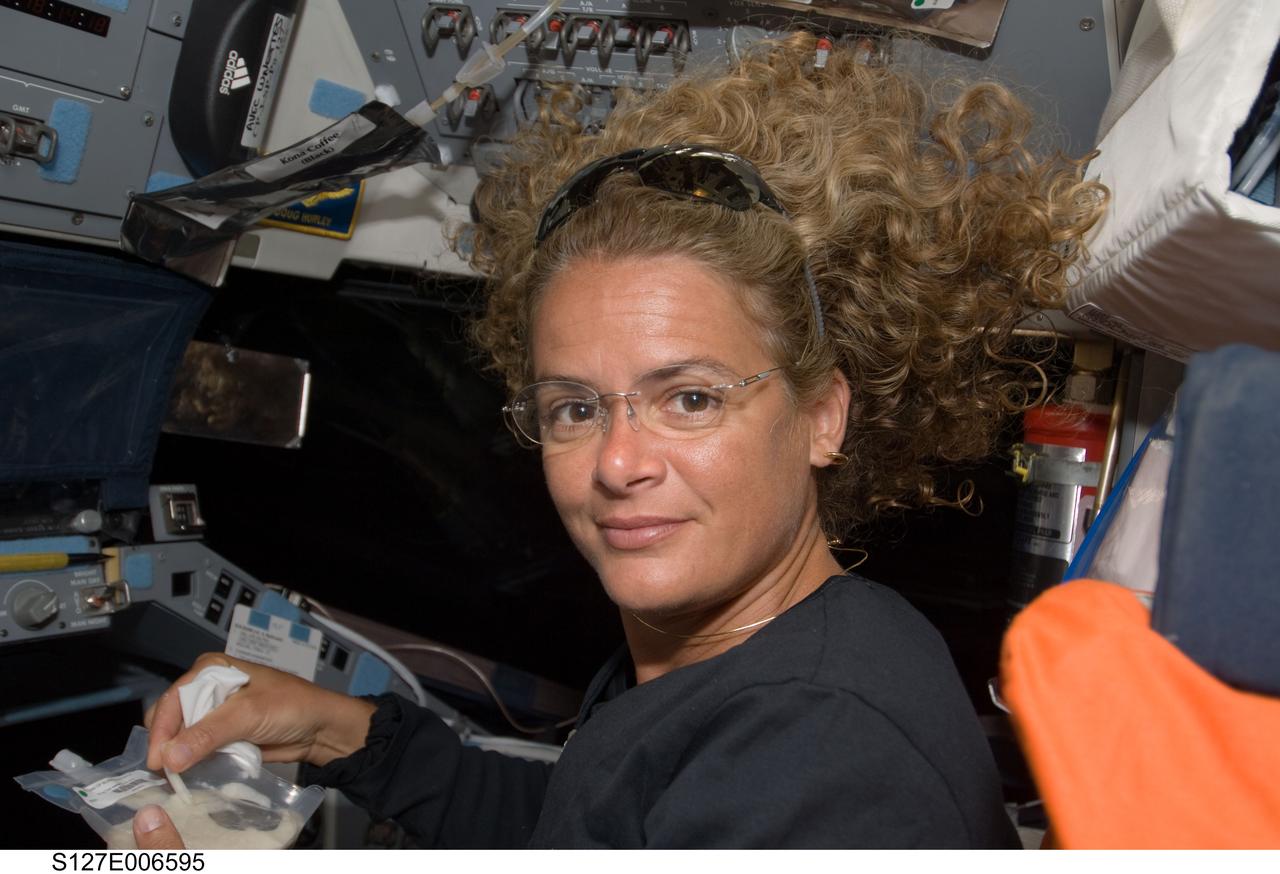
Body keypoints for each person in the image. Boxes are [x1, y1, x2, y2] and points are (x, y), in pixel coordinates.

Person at [132, 33, 1105, 849]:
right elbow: (583, 822)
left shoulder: (825, 762)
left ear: (822, 414)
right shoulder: (738, 660)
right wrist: (342, 732)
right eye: (575, 408)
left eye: (687, 398)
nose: (615, 463)